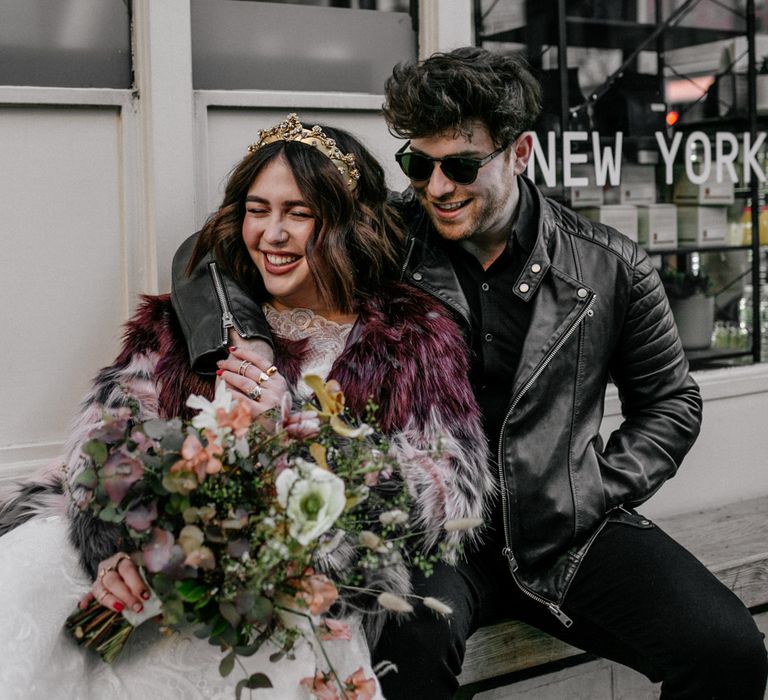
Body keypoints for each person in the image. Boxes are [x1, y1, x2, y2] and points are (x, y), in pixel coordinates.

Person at [169, 49, 768, 699]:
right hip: (429, 535)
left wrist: (593, 486)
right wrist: (246, 340)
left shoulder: (611, 266)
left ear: (520, 153)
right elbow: (212, 254)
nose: (436, 188)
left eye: (459, 165)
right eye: (417, 165)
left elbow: (672, 401)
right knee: (408, 656)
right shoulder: (389, 236)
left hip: (564, 532)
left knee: (730, 651)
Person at [0, 115, 494, 700]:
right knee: (30, 573)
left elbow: (444, 483)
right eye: (258, 210)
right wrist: (127, 550)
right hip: (172, 570)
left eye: (299, 213)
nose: (272, 234)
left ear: (347, 224)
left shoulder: (408, 335)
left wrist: (297, 431)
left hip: (296, 577)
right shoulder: (186, 321)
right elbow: (109, 443)